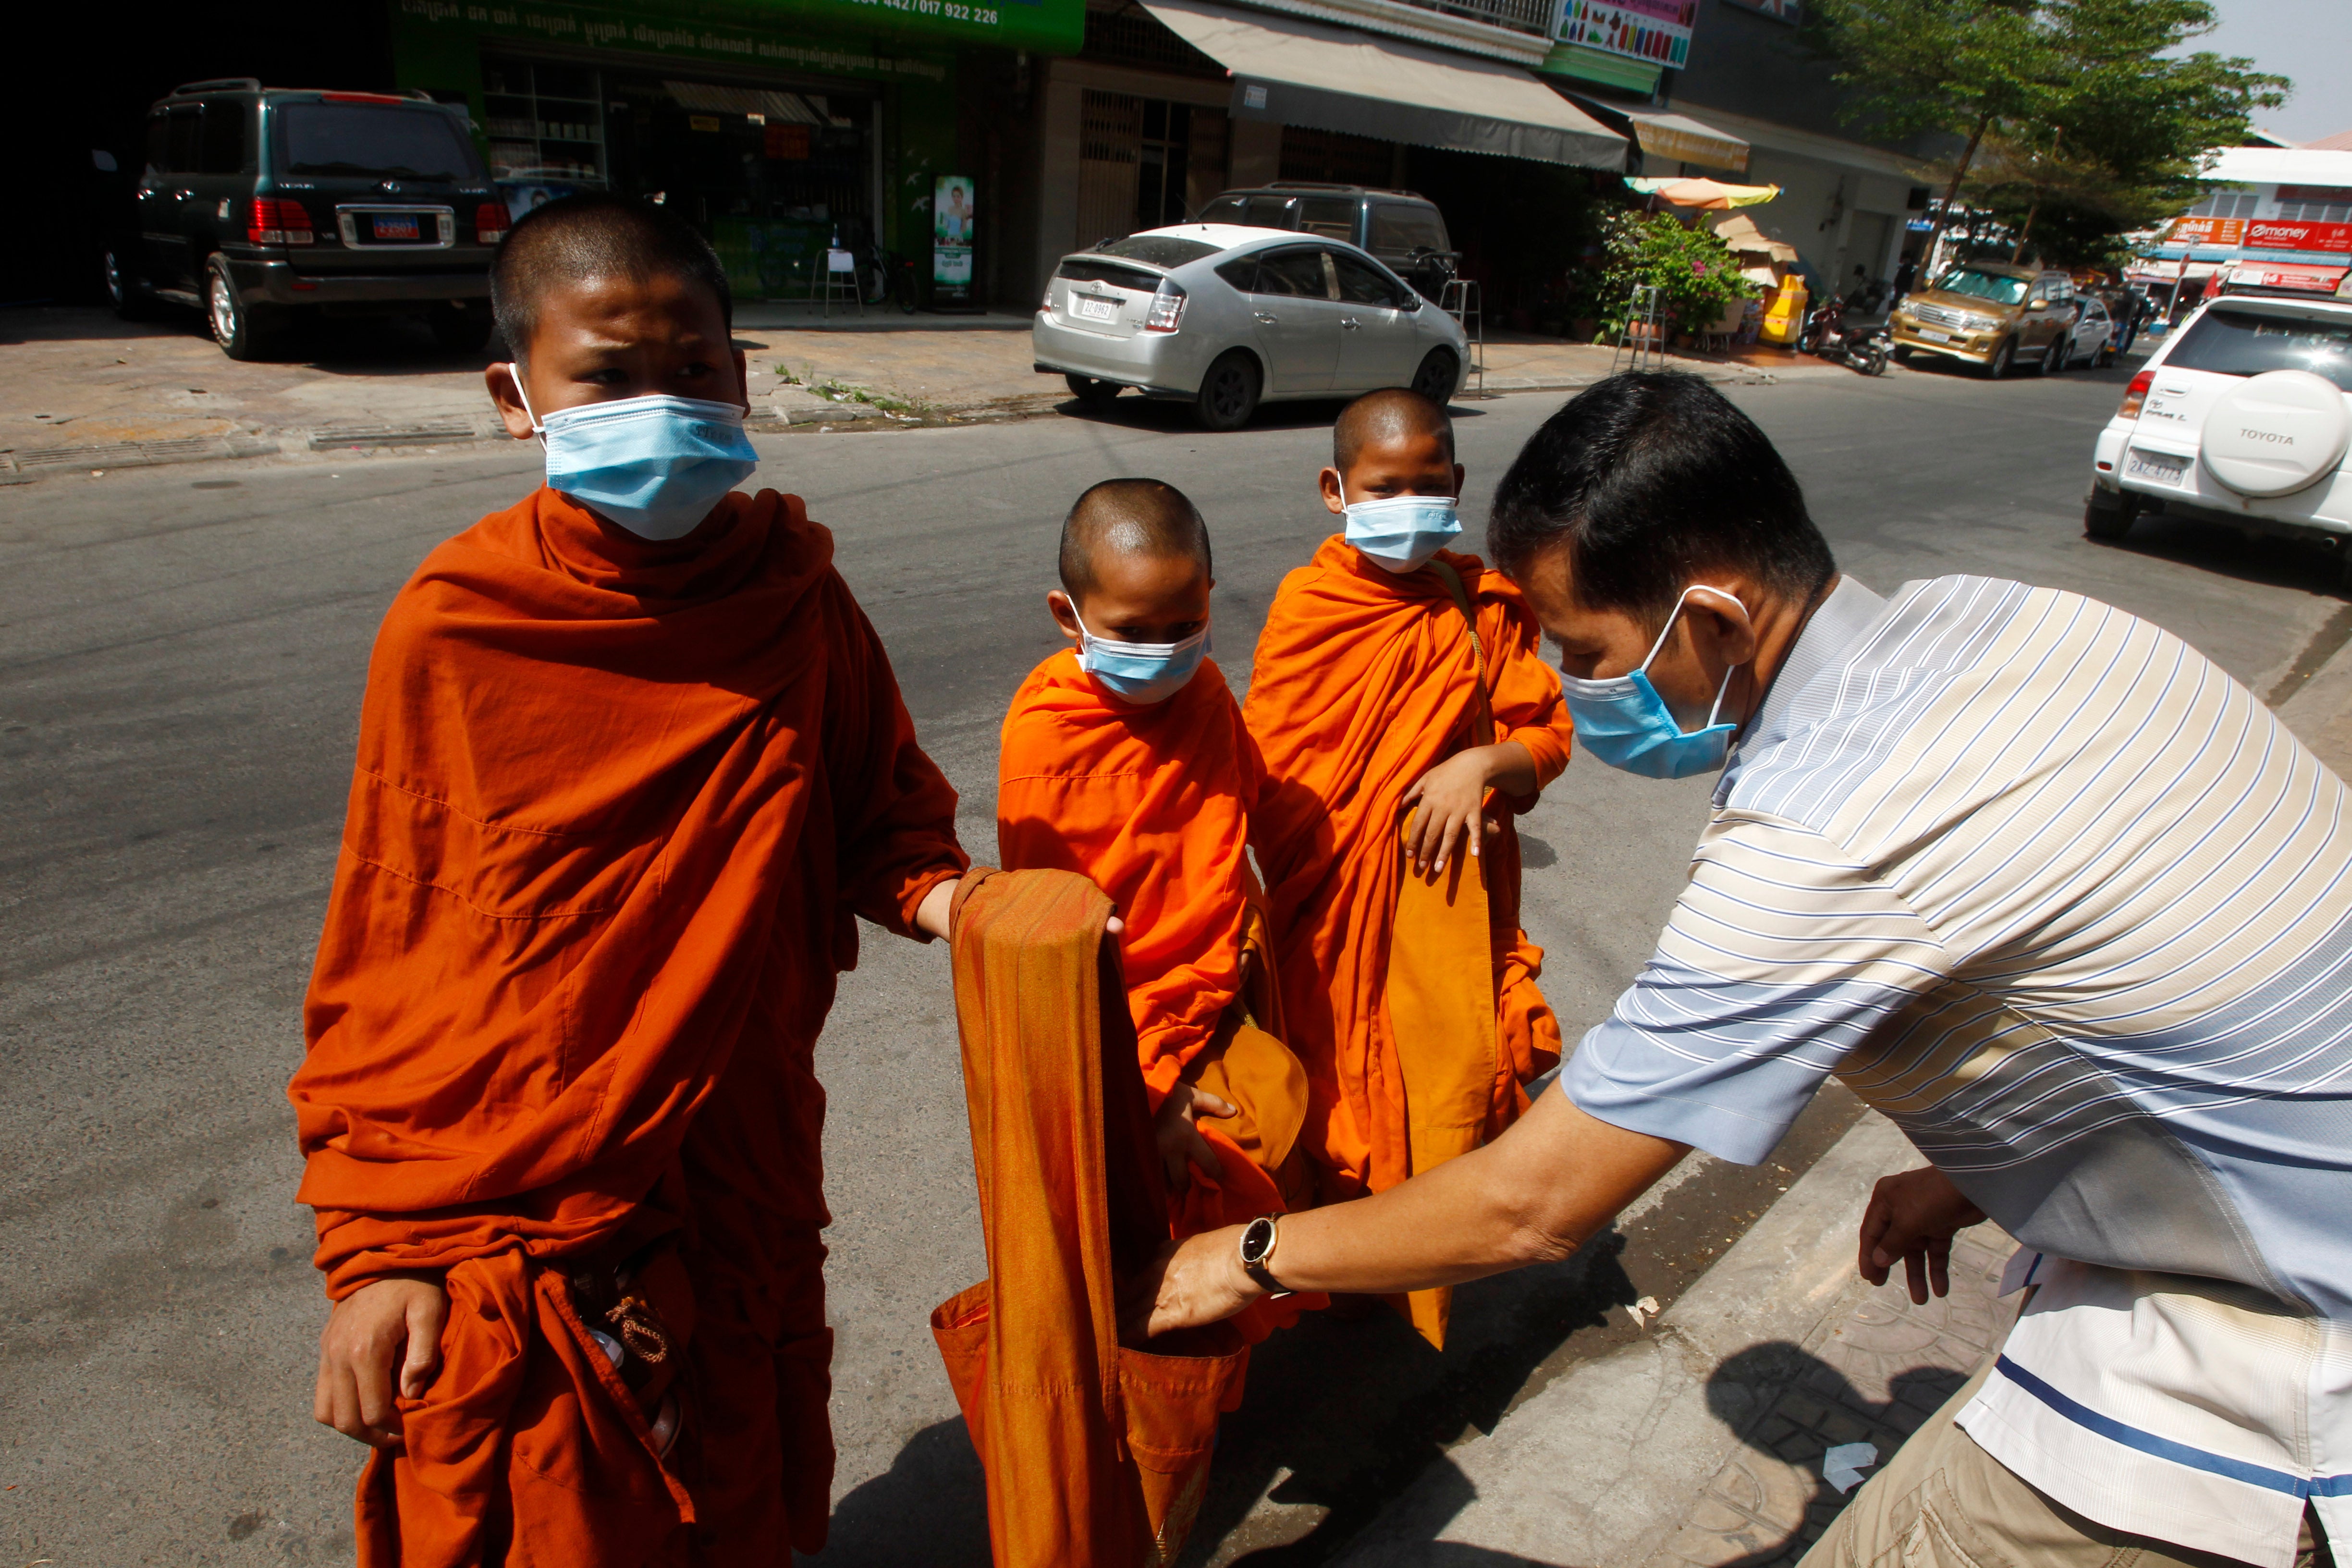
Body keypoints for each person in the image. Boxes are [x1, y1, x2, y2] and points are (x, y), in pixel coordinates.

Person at [1141, 370, 2352, 1568]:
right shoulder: (2020, 622)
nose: (1578, 686)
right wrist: (1971, 1176)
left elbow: (1535, 1205)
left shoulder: (1831, 831)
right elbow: (2128, 969)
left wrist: (1241, 1258)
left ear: (1714, 621)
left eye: (1588, 650)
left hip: (2289, 1332)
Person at [291, 192, 969, 1565]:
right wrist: (383, 1253)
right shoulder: (458, 624)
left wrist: (969, 904)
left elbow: (881, 826)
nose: (659, 407)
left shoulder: (794, 593)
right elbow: (394, 949)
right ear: (515, 394)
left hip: (745, 1150)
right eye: (606, 376)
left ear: (740, 373)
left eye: (695, 370)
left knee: (750, 1476)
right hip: (533, 1200)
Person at [1241, 387, 1576, 1347]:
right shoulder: (1312, 609)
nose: (1409, 505)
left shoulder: (1482, 609)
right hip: (1332, 905)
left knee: (1438, 1093)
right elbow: (1270, 771)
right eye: (1384, 487)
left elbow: (1545, 739)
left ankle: (1413, 1263)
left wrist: (1481, 763)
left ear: (1457, 484)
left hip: (1446, 910)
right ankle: (1340, 1265)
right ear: (1334, 490)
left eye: (1428, 485)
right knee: (1336, 1088)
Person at [994, 478, 1316, 1340]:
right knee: (1141, 1260)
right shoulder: (1048, 732)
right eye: (1132, 634)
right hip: (1121, 1045)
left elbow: (1243, 812)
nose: (1165, 652)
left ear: (1209, 601)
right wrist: (1152, 1092)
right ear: (1070, 616)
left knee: (1236, 1223)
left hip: (1218, 994)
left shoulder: (1205, 692)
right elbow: (1056, 954)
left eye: (1185, 626)